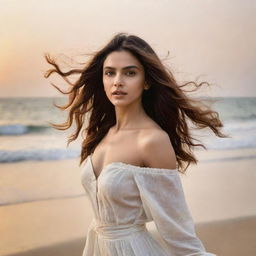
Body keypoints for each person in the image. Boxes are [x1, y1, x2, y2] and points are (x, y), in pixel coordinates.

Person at [45, 33, 225, 256]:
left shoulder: (152, 141)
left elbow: (180, 235)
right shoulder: (102, 134)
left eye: (130, 73)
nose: (117, 81)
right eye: (110, 73)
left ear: (147, 81)